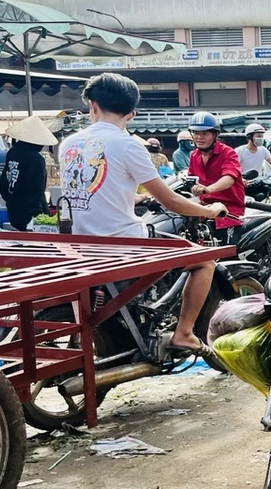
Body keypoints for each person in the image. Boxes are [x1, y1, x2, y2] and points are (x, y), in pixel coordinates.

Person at [60, 73, 226, 354]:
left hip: (79, 244)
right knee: (205, 261)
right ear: (132, 113)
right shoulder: (128, 144)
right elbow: (171, 201)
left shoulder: (68, 144)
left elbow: (94, 188)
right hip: (123, 245)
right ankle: (184, 333)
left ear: (93, 105)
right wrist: (208, 210)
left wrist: (133, 197)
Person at [187, 112, 247, 245]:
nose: (199, 137)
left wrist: (208, 189)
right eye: (196, 133)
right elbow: (191, 179)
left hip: (228, 211)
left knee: (227, 251)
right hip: (203, 209)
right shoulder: (194, 155)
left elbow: (229, 178)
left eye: (205, 133)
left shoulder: (228, 153)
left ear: (215, 135)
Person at [0, 116, 57, 230]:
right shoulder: (35, 159)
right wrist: (37, 215)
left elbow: (4, 182)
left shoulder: (12, 153)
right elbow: (36, 190)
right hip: (31, 214)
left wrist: (10, 202)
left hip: (14, 210)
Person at [236, 123, 271, 199]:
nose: (261, 138)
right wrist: (241, 179)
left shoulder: (263, 150)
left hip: (260, 183)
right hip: (245, 185)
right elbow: (233, 168)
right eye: (258, 136)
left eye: (262, 136)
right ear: (250, 137)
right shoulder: (240, 151)